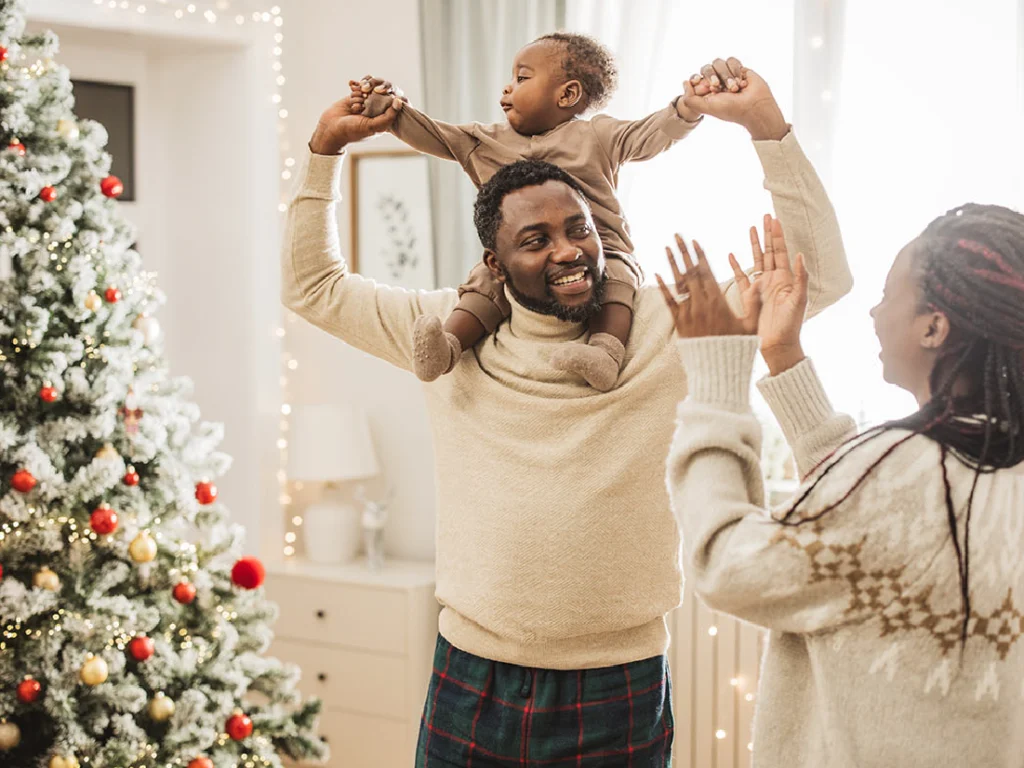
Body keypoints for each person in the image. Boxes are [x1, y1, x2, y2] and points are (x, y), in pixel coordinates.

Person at [284, 59, 851, 766]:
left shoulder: (664, 322)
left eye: (578, 227)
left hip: (619, 683)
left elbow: (818, 275)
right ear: (493, 264)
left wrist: (766, 126)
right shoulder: (444, 336)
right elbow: (313, 288)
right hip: (472, 675)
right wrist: (323, 152)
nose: (569, 251)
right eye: (536, 240)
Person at [662, 204, 1024, 766]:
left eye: (887, 294)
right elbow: (873, 533)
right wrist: (782, 355)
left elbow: (725, 561)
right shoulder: (990, 466)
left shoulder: (900, 480)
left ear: (933, 326)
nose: (875, 312)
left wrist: (714, 377)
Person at [351, 35, 743, 391]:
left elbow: (650, 134)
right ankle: (449, 345)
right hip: (519, 262)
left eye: (522, 78)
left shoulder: (595, 136)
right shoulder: (485, 141)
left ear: (567, 93)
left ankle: (605, 352)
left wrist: (688, 108)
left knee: (619, 276)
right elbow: (432, 133)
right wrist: (389, 108)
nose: (507, 87)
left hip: (604, 249)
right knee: (484, 280)